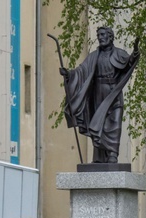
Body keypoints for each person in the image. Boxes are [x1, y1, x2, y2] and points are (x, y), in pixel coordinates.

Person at [60, 26, 140, 163]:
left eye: (103, 34)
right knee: (99, 124)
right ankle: (99, 158)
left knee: (114, 124)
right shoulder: (94, 56)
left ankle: (113, 154)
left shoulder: (119, 53)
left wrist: (136, 51)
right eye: (99, 35)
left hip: (113, 93)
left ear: (110, 36)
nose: (100, 37)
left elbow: (129, 63)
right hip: (98, 93)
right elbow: (81, 71)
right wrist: (69, 74)